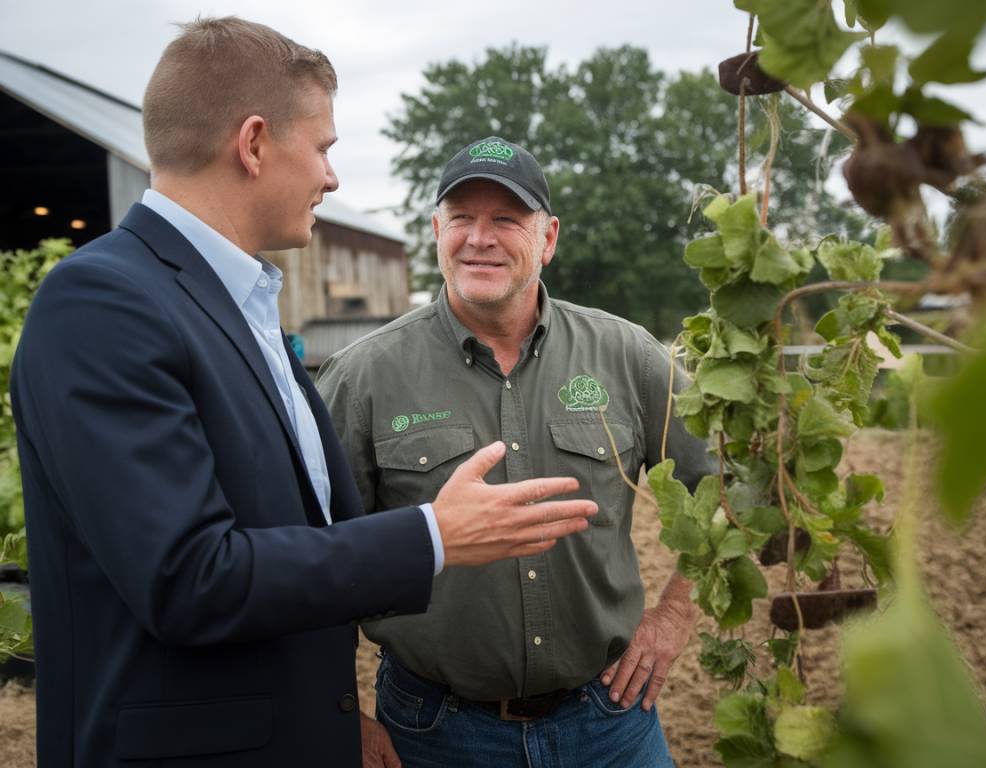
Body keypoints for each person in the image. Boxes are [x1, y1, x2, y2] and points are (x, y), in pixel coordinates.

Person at [9, 24, 597, 768]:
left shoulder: (237, 306)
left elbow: (296, 540)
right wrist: (433, 535)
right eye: (322, 147)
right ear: (254, 144)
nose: (332, 177)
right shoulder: (101, 303)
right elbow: (189, 579)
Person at [316, 136, 716, 767]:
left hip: (611, 722)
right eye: (462, 219)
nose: (481, 238)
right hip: (435, 733)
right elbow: (314, 556)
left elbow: (724, 484)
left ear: (548, 238)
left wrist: (675, 615)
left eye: (506, 219)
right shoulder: (362, 376)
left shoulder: (628, 356)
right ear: (435, 232)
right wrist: (341, 713)